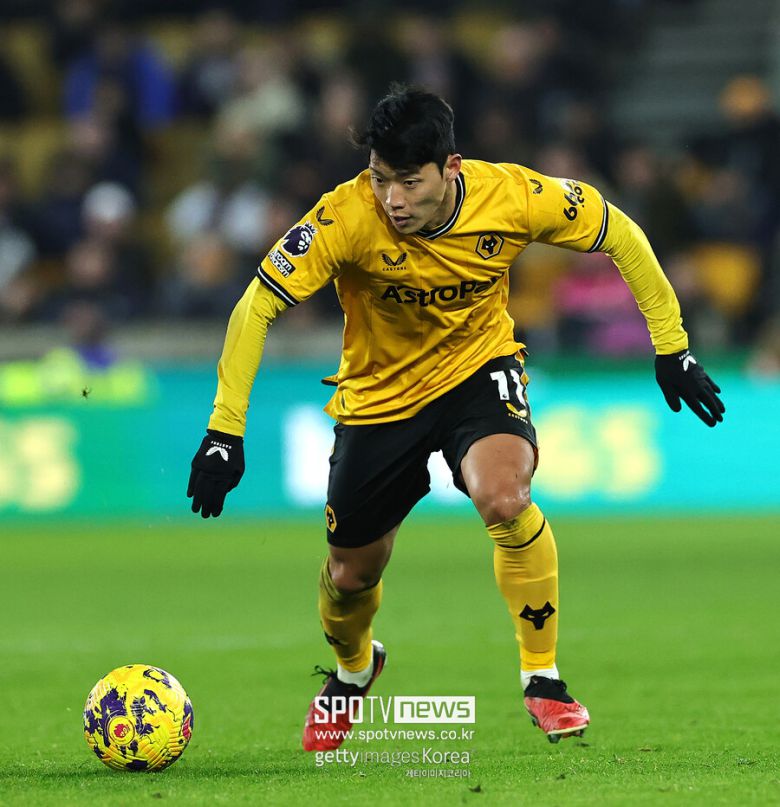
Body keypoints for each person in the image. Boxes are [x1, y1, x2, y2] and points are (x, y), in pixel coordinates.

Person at [187, 86, 725, 747]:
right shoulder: (343, 216)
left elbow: (622, 234)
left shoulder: (515, 196)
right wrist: (224, 429)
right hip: (378, 396)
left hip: (478, 370)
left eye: (409, 182)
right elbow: (256, 306)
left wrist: (672, 346)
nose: (392, 199)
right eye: (380, 179)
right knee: (350, 574)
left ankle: (543, 676)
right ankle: (354, 670)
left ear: (451, 168)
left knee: (505, 496)